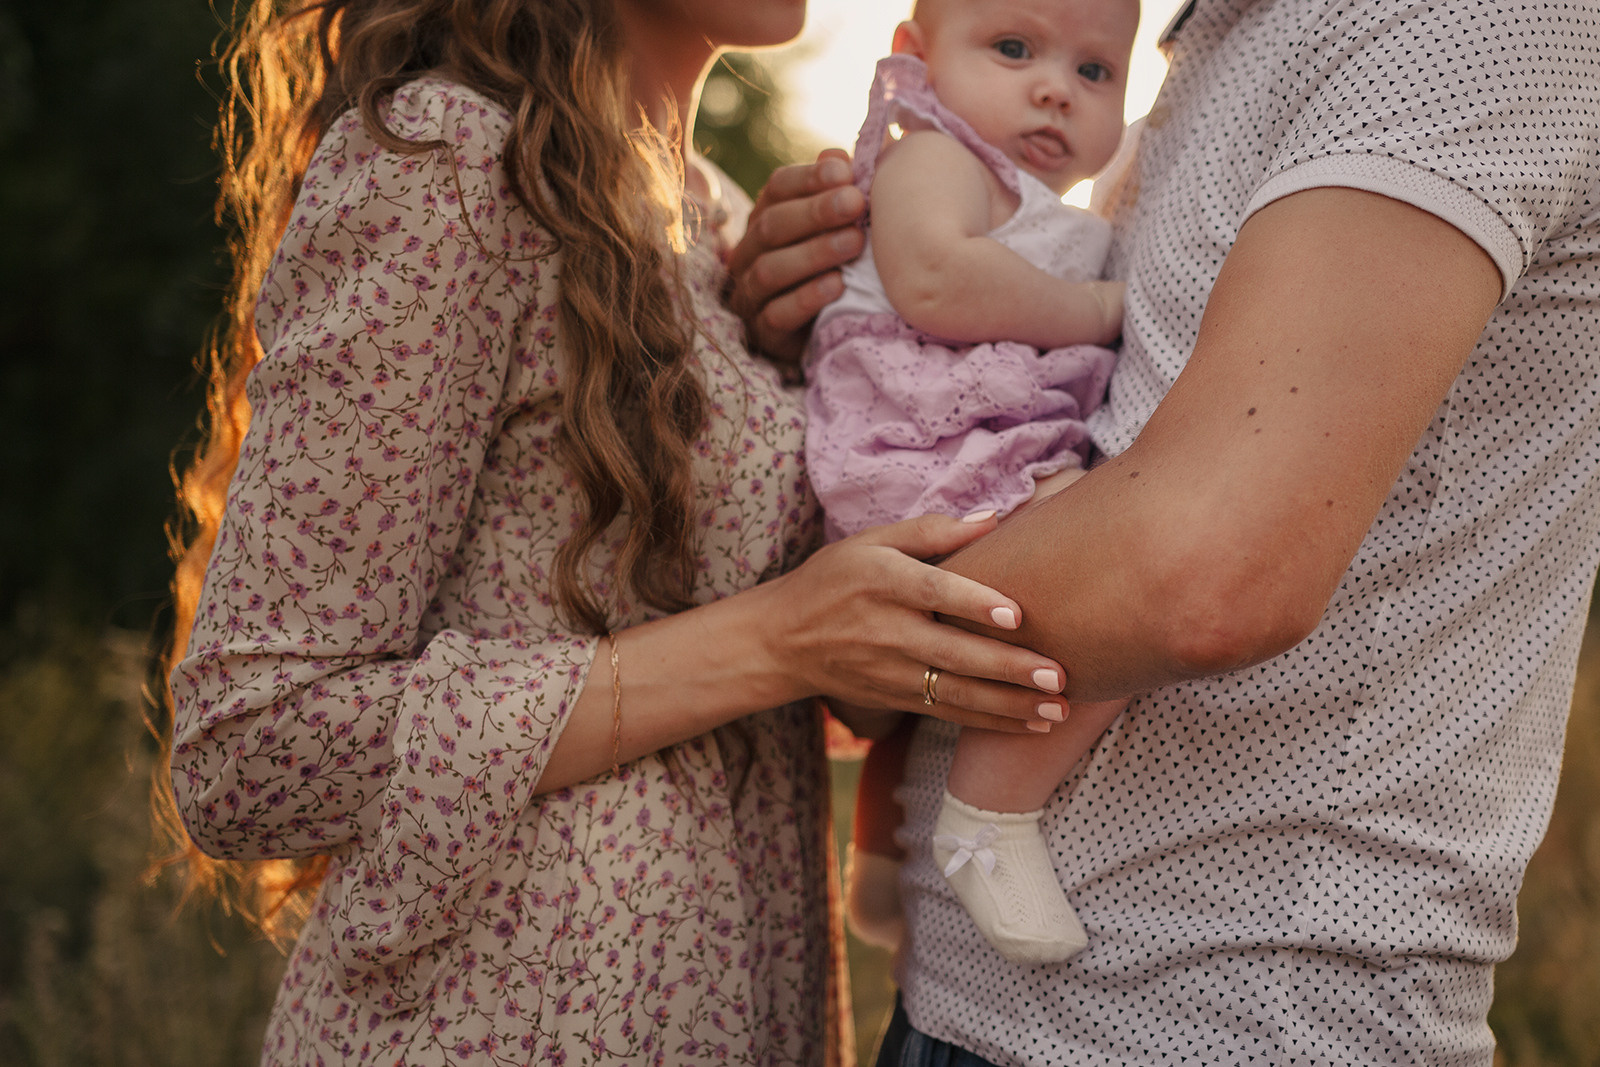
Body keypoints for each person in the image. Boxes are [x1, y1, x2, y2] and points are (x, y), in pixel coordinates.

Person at [156, 0, 1077, 1063]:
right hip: (496, 1026)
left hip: (732, 1003)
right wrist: (776, 638)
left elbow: (820, 683)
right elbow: (252, 746)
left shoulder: (714, 217)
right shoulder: (447, 162)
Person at [864, 0, 1600, 1063]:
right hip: (957, 1000)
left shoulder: (1460, 22)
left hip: (1225, 1015)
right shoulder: (1204, 40)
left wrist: (808, 621)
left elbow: (1199, 571)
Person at [804, 0, 1138, 965]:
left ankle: (880, 855)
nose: (1053, 88)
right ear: (916, 58)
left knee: (940, 668)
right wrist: (1097, 308)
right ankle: (991, 813)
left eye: (1094, 73)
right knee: (1121, 553)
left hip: (964, 431)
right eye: (1013, 48)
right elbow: (936, 282)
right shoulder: (938, 156)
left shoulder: (1053, 204)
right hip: (917, 437)